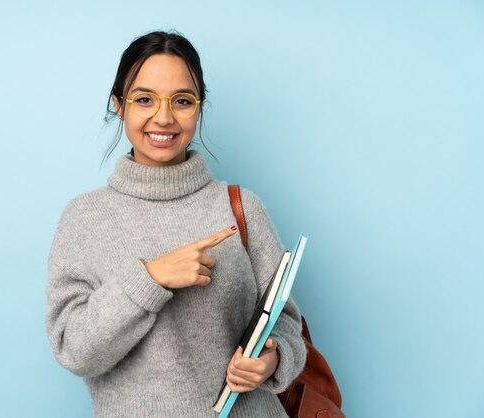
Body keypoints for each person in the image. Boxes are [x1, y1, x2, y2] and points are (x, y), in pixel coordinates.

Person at [45, 30, 307, 417]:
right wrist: (152, 278)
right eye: (144, 99)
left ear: (199, 108)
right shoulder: (85, 218)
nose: (164, 117)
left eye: (182, 101)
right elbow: (74, 349)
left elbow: (285, 324)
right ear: (119, 105)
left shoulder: (241, 208)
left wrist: (271, 361)